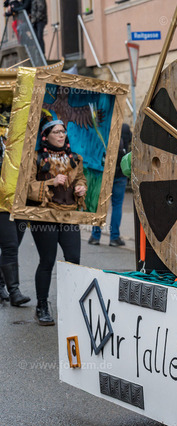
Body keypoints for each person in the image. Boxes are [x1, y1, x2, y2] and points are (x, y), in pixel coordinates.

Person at [27, 113, 86, 325]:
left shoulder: (75, 158)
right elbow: (26, 187)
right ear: (46, 135)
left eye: (63, 131)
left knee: (73, 260)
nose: (61, 135)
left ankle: (70, 304)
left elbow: (81, 178)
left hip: (69, 215)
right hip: (45, 216)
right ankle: (42, 306)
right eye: (56, 132)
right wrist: (50, 182)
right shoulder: (35, 158)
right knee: (47, 261)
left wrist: (81, 187)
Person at [89, 123, 131, 247]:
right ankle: (114, 237)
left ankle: (95, 236)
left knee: (100, 206)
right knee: (117, 206)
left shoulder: (102, 127)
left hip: (104, 175)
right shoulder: (125, 128)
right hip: (120, 174)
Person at [0, 136, 30, 306]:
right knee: (10, 246)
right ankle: (14, 292)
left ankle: (0, 285)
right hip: (2, 202)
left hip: (21, 199)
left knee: (13, 245)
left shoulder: (25, 135)